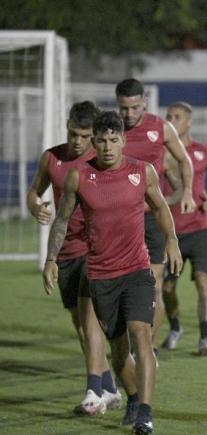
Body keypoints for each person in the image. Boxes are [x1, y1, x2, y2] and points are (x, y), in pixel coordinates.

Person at [42, 111, 182, 434]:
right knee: (118, 353)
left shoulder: (141, 172)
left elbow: (160, 206)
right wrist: (52, 259)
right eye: (101, 141)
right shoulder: (79, 176)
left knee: (140, 336)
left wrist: (172, 239)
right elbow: (62, 220)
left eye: (113, 140)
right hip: (101, 276)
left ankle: (145, 413)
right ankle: (132, 397)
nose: (107, 147)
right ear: (95, 142)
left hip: (136, 270)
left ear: (123, 140)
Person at [27, 101, 123, 414]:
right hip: (65, 251)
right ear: (67, 126)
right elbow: (35, 190)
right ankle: (110, 386)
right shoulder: (52, 158)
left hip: (96, 251)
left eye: (84, 135)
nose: (78, 141)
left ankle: (94, 392)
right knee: (80, 325)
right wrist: (34, 206)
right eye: (73, 133)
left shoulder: (102, 162)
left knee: (89, 321)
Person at [116, 78, 195, 352]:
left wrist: (186, 193)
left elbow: (185, 160)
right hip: (118, 222)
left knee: (153, 286)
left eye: (134, 107)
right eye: (123, 108)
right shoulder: (110, 131)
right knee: (119, 289)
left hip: (151, 219)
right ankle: (125, 344)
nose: (129, 114)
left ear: (144, 103)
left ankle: (145, 350)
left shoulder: (160, 127)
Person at [159, 102, 207, 356]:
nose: (171, 120)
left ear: (189, 122)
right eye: (168, 116)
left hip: (199, 229)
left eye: (176, 117)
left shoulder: (204, 152)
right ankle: (176, 328)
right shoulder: (161, 153)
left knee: (203, 282)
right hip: (170, 232)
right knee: (166, 288)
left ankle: (205, 338)